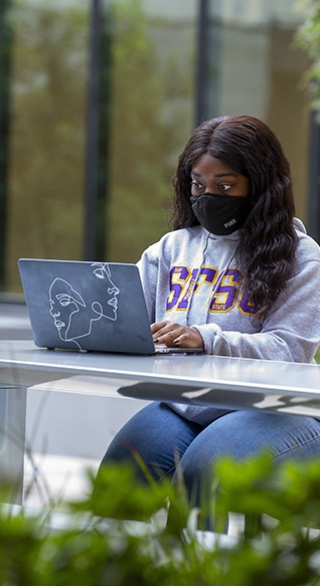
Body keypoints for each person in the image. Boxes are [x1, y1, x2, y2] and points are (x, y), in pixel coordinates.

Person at [99, 114, 320, 519]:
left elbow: (288, 350)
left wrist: (206, 337)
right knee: (122, 474)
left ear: (261, 184)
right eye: (198, 185)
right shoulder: (171, 249)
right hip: (186, 406)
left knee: (203, 472)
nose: (207, 196)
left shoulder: (302, 257)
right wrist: (87, 323)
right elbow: (123, 318)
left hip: (274, 411)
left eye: (224, 185)